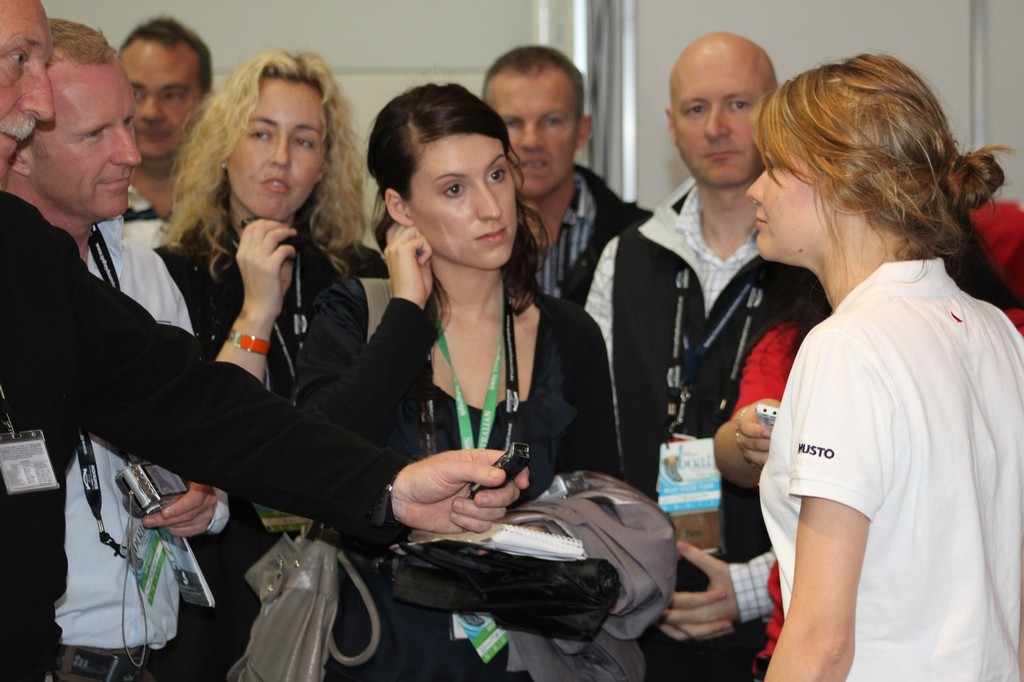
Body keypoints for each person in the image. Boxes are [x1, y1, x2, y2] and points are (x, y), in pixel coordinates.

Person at [0, 3, 524, 680]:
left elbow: (202, 412)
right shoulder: (163, 261)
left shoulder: (35, 262)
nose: (34, 99)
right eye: (18, 62)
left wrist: (389, 486)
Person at [295, 82, 623, 681]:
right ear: (400, 208)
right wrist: (405, 314)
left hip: (532, 653)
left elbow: (609, 507)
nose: (491, 207)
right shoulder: (354, 316)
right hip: (381, 650)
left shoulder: (568, 333)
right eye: (454, 189)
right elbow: (313, 464)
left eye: (497, 175)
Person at [749, 53, 1024, 681]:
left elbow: (821, 640)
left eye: (772, 167)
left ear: (844, 180)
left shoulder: (848, 346)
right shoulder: (996, 333)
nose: (754, 189)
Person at [1, 18, 227, 680]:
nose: (130, 152)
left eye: (125, 121)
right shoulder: (14, 285)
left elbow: (208, 433)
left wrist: (206, 496)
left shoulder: (145, 271)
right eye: (96, 134)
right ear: (21, 151)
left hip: (145, 655)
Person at [151, 49, 384, 681]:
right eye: (261, 133)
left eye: (303, 140)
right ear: (224, 148)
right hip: (214, 562)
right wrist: (256, 307)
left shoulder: (360, 275)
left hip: (337, 559)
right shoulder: (170, 271)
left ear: (323, 166)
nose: (280, 157)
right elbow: (201, 433)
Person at [585, 32, 789, 680]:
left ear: (778, 111)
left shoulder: (817, 259)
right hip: (645, 611)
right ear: (670, 126)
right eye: (696, 109)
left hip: (786, 617)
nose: (718, 128)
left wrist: (757, 586)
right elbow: (596, 436)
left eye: (739, 104)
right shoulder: (624, 255)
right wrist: (631, 569)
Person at [483, 46, 650, 304]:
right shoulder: (453, 238)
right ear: (484, 135)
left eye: (551, 121)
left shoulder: (644, 240)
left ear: (582, 131)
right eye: (512, 123)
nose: (531, 141)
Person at [118, 16, 211, 250]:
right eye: (136, 93)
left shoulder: (227, 205)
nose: (151, 113)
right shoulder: (84, 202)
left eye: (172, 95)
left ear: (208, 103)